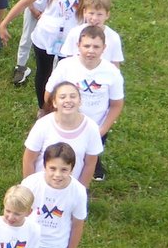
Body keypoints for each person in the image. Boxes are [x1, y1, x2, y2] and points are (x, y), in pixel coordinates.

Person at [0, 0, 98, 110]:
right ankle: (43, 109)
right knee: (43, 74)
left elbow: (96, 16)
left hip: (72, 43)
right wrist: (4, 23)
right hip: (45, 37)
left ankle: (62, 109)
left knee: (66, 78)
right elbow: (25, 1)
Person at [46, 29, 124, 180]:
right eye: (87, 46)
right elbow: (49, 94)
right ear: (78, 46)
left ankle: (82, 186)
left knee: (87, 161)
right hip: (65, 125)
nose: (91, 51)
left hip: (95, 128)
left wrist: (102, 129)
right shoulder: (65, 66)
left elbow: (116, 104)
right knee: (61, 161)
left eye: (96, 47)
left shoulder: (112, 72)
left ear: (104, 48)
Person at [23, 81, 102, 185]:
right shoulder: (42, 125)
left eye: (73, 96)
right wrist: (29, 187)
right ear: (54, 103)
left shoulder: (91, 128)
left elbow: (90, 164)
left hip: (70, 189)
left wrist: (81, 189)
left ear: (80, 101)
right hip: (41, 187)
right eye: (62, 97)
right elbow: (28, 160)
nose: (68, 100)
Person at [61, 0, 124, 65]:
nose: (94, 18)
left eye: (99, 14)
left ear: (107, 15)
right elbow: (68, 61)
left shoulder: (113, 38)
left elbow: (115, 65)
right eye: (91, 13)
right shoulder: (74, 33)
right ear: (84, 12)